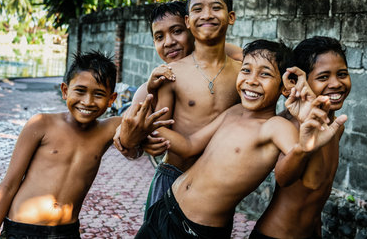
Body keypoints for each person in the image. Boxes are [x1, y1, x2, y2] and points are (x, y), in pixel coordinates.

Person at [127, 39, 348, 239]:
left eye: (265, 74)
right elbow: (189, 145)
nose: (252, 81)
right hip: (167, 205)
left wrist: (304, 147)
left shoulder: (276, 126)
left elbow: (289, 174)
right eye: (246, 71)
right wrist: (141, 127)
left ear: (284, 87)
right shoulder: (234, 111)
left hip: (197, 229)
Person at [0, 51, 169, 239]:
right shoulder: (41, 124)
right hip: (22, 228)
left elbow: (133, 144)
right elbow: (8, 186)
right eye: (80, 91)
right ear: (65, 90)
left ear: (111, 99)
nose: (87, 102)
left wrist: (143, 143)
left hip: (67, 232)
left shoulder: (110, 128)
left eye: (99, 94)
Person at [118, 0, 242, 212]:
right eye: (159, 36)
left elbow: (230, 50)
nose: (169, 42)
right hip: (173, 175)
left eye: (176, 31)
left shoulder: (237, 67)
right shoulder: (154, 86)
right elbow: (126, 141)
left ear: (189, 27)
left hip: (216, 182)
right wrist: (136, 139)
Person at [251, 36, 352, 239]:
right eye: (323, 77)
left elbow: (318, 192)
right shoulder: (291, 126)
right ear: (300, 82)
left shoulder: (335, 128)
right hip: (275, 235)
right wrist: (305, 147)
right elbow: (283, 177)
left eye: (342, 74)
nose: (336, 83)